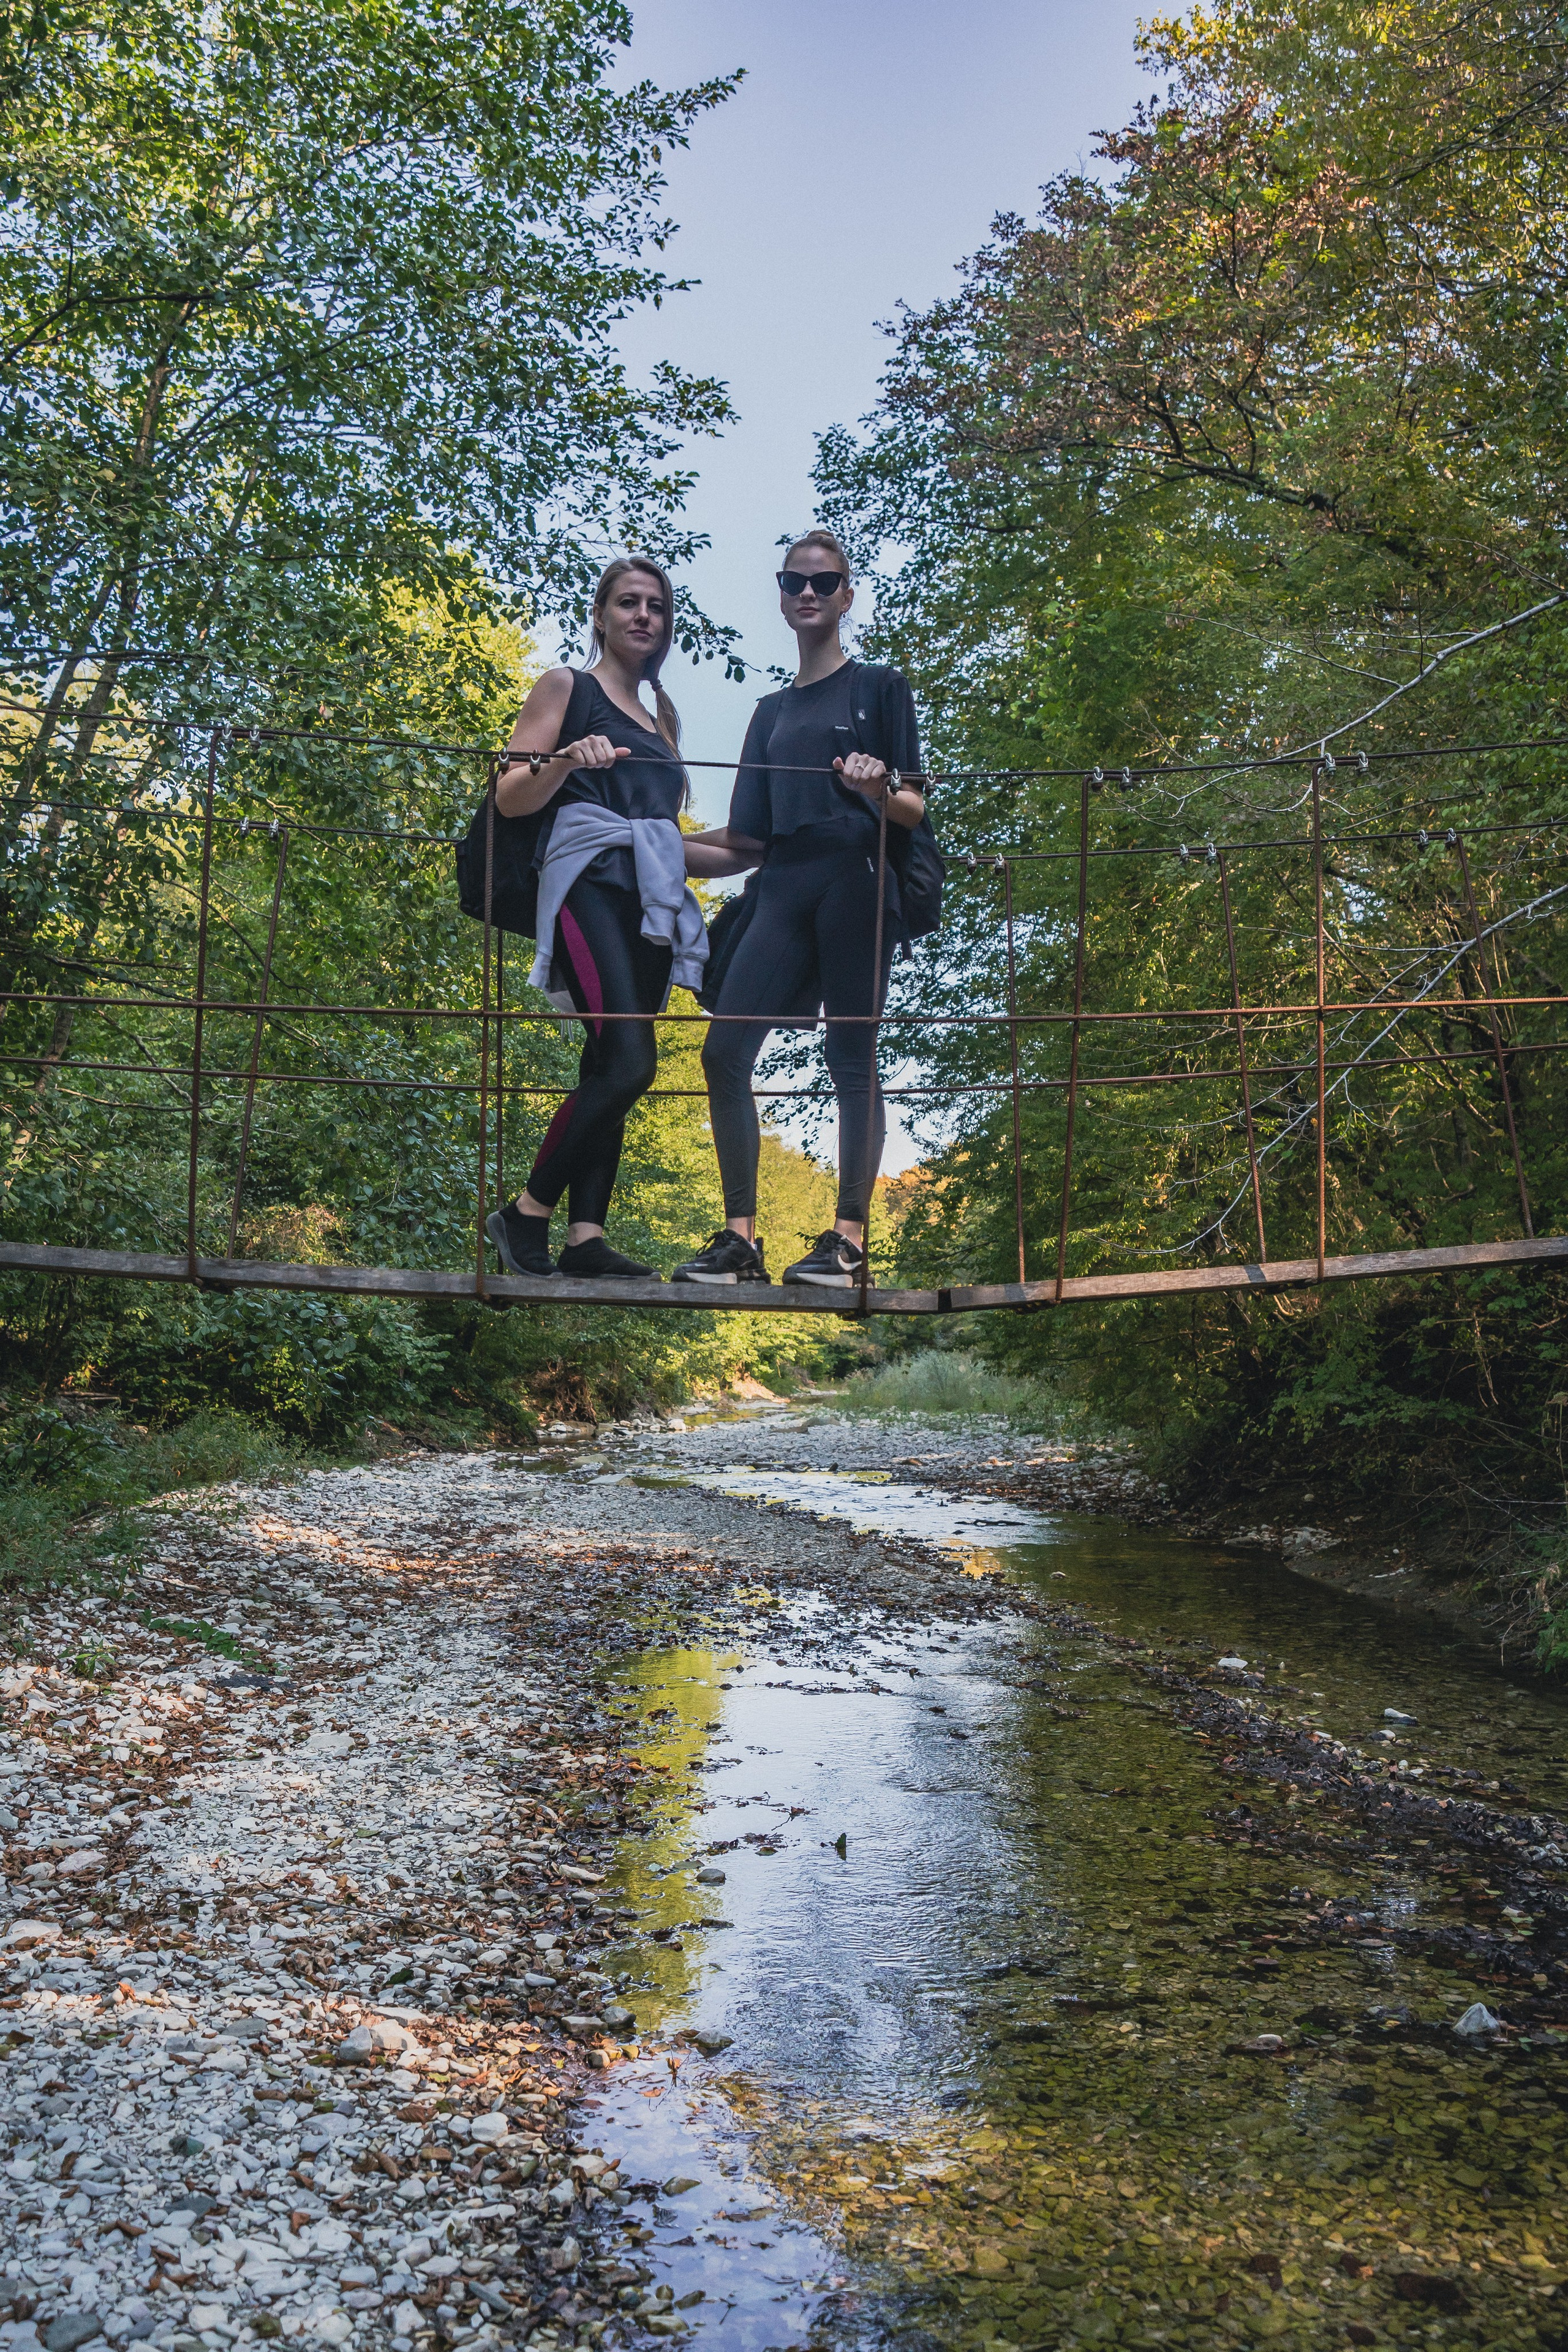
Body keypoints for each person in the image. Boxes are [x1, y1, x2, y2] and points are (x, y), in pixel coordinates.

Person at [673, 529, 925, 1288]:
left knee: (850, 1054)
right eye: (793, 582)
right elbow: (743, 841)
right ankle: (739, 1243)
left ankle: (846, 1245)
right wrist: (647, 846)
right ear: (781, 598)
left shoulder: (879, 687)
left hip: (855, 875)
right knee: (723, 1053)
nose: (807, 593)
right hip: (781, 883)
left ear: (846, 596)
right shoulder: (770, 712)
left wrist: (876, 787)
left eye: (822, 582)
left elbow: (913, 808)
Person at [484, 557, 707, 1281]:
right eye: (628, 603)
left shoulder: (662, 719)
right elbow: (511, 794)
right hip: (587, 885)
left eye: (657, 606)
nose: (644, 616)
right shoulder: (567, 687)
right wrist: (564, 762)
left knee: (607, 1064)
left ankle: (585, 1238)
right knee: (633, 1063)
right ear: (601, 616)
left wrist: (766, 846)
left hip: (649, 901)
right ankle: (526, 1213)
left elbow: (666, 838)